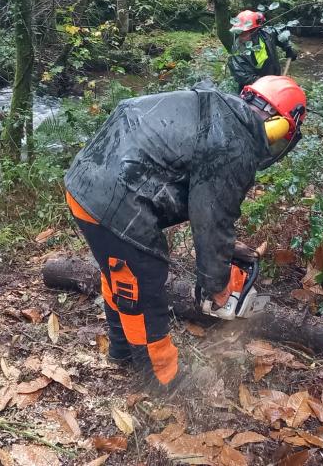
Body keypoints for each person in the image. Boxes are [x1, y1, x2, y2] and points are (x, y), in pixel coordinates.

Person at [63, 75, 306, 390]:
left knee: (121, 274)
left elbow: (202, 201)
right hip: (113, 198)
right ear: (280, 129)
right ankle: (161, 378)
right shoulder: (235, 144)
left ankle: (121, 350)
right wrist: (218, 287)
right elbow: (211, 216)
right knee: (143, 282)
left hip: (83, 184)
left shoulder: (216, 108)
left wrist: (226, 249)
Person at [227, 10, 298, 90]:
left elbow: (279, 35)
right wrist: (269, 85)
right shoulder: (236, 53)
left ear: (255, 30)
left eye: (244, 32)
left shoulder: (266, 34)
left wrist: (288, 49)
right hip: (255, 90)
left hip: (274, 77)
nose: (241, 35)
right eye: (239, 32)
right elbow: (245, 77)